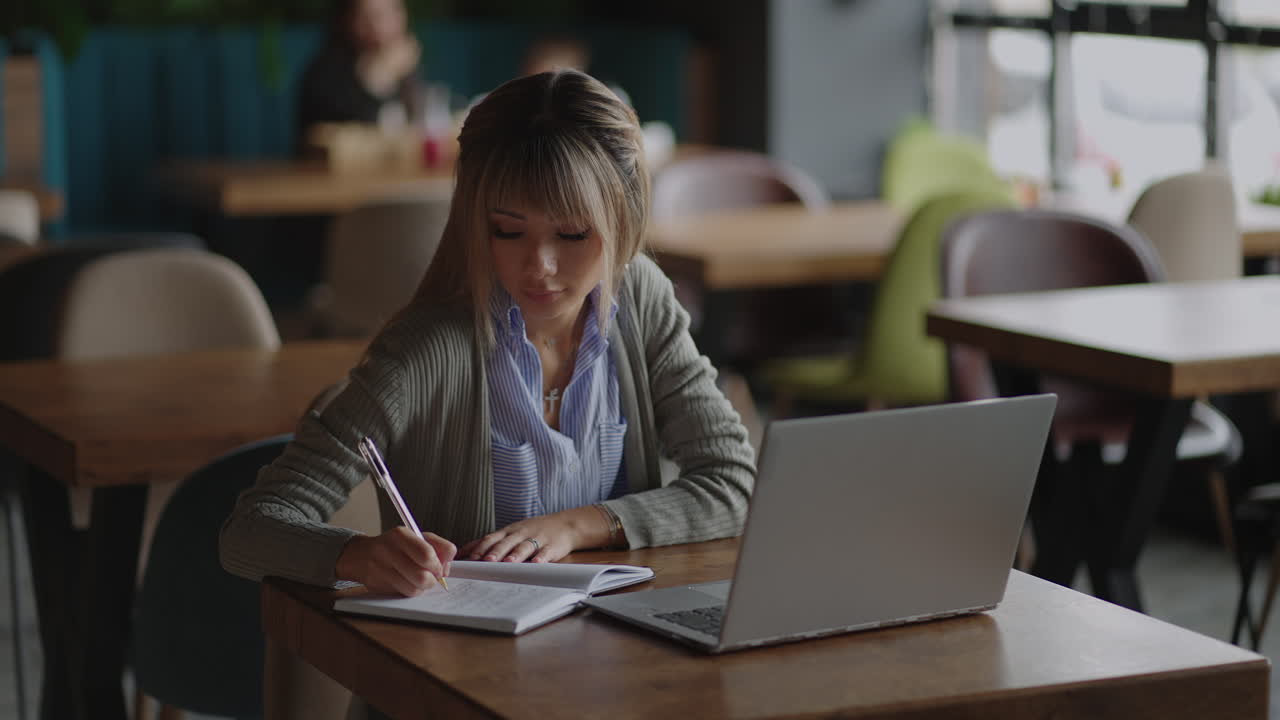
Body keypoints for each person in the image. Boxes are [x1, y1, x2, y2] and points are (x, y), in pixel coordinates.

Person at [221, 69, 756, 598]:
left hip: (625, 658)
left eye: (572, 233)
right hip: (465, 671)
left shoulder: (638, 297)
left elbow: (734, 482)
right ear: (475, 221)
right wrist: (356, 554)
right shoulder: (423, 349)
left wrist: (577, 525)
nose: (539, 265)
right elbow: (252, 530)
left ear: (625, 218)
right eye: (508, 230)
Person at [296, 0, 423, 145]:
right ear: (347, 19)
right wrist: (379, 78)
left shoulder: (403, 63)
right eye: (366, 16)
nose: (378, 26)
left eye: (390, 12)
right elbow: (352, 135)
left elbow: (415, 124)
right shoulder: (324, 72)